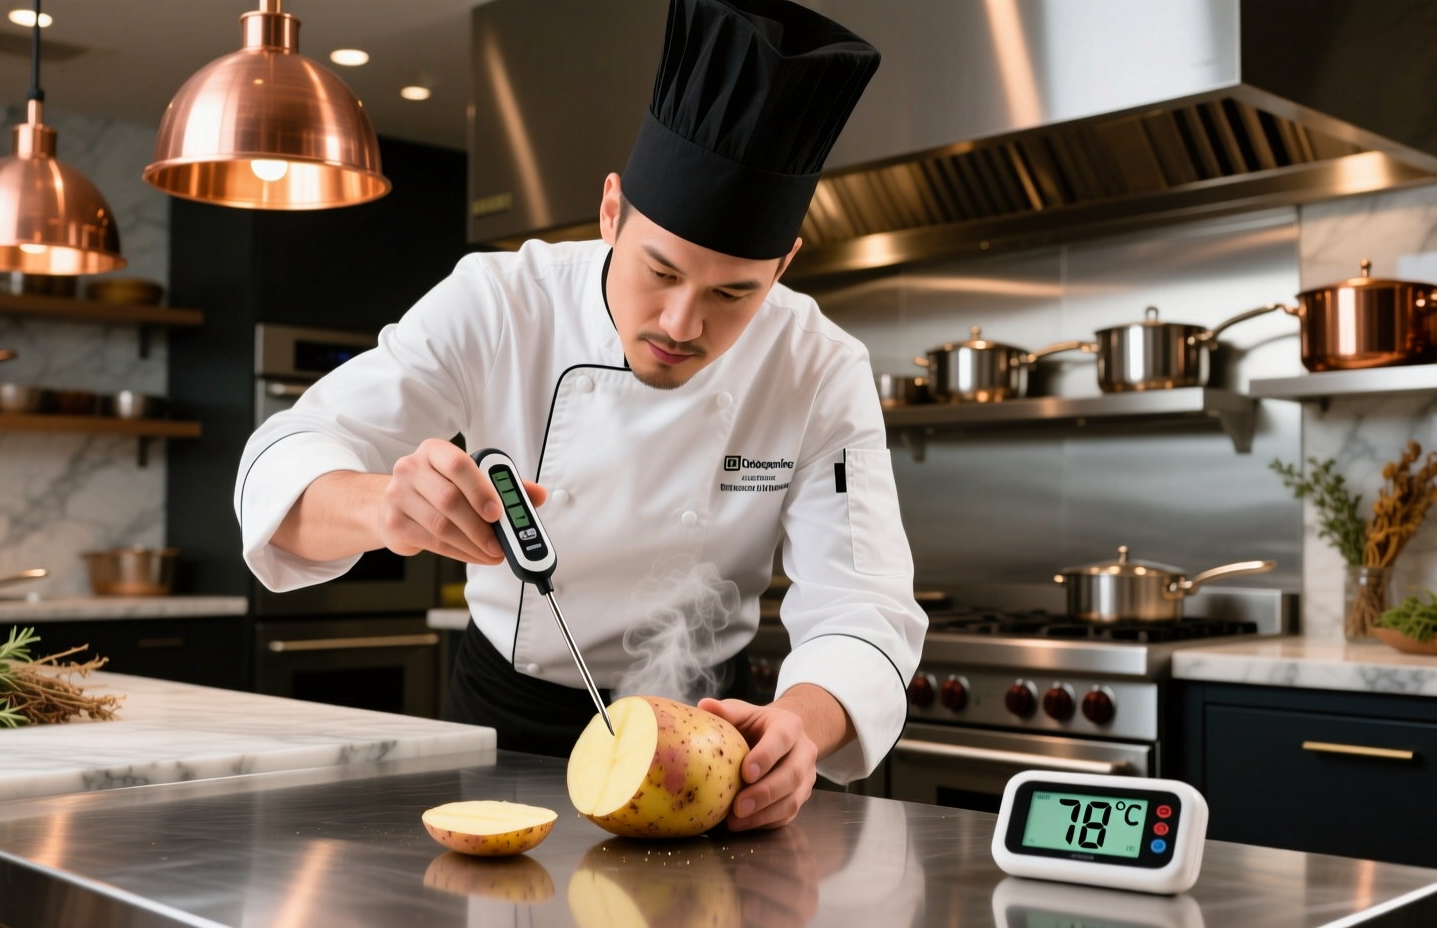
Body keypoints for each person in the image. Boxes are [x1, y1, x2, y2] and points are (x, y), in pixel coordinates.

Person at [235, 0, 925, 831]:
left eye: (734, 294)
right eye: (660, 273)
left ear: (783, 266)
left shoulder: (819, 366)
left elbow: (863, 602)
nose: (682, 325)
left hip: (708, 741)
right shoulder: (499, 303)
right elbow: (283, 458)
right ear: (610, 212)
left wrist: (802, 726)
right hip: (508, 722)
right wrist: (383, 505)